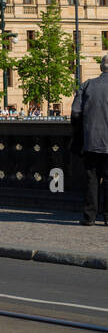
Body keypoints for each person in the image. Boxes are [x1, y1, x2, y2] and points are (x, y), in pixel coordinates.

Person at [70, 56, 108, 226]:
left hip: (91, 140)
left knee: (91, 179)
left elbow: (75, 113)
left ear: (101, 67)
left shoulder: (87, 85)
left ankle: (89, 216)